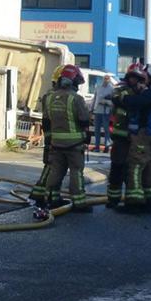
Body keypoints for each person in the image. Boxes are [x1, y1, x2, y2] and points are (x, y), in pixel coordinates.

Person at [109, 62, 151, 211]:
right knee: (148, 168)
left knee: (135, 167)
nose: (145, 79)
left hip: (146, 134)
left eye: (147, 77)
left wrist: (121, 100)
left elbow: (135, 103)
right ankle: (150, 200)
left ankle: (134, 202)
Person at [32, 64, 94, 214]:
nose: (78, 86)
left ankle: (52, 200)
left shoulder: (49, 98)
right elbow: (84, 120)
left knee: (56, 172)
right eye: (77, 83)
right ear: (72, 82)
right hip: (74, 144)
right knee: (76, 172)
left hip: (56, 143)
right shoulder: (76, 99)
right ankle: (79, 202)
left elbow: (46, 121)